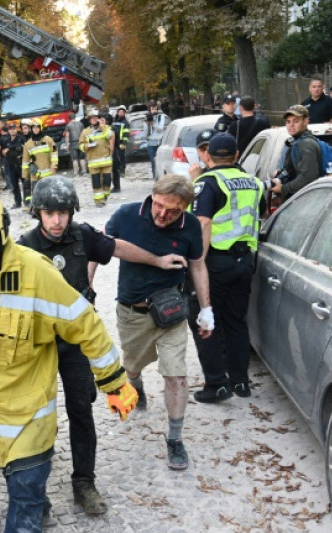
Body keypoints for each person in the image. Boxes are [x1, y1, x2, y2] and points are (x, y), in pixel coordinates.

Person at [0, 184, 137, 531]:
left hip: (29, 416)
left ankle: (62, 491)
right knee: (18, 485)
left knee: (23, 501)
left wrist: (115, 382)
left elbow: (86, 325)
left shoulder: (33, 272)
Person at [18, 176, 187, 516]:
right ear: (37, 213)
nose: (56, 220)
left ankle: (84, 484)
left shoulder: (82, 235)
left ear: (71, 212)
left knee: (81, 412)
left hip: (76, 343)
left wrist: (156, 260)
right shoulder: (22, 248)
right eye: (49, 213)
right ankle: (36, 496)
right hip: (37, 348)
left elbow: (117, 246)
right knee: (36, 418)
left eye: (63, 212)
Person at [105, 175, 213, 471]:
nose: (164, 214)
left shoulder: (190, 226)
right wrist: (86, 286)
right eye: (161, 205)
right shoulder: (126, 215)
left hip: (171, 313)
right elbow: (102, 248)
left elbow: (198, 265)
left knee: (176, 376)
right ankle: (135, 383)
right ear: (152, 196)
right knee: (132, 366)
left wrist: (206, 309)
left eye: (174, 211)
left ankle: (175, 439)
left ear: (185, 209)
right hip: (133, 312)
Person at [188, 133, 265, 402]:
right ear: (236, 155)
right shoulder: (254, 183)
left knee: (204, 319)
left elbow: (203, 224)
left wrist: (196, 264)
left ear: (208, 156)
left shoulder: (207, 183)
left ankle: (217, 384)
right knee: (235, 321)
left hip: (215, 262)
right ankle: (240, 381)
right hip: (245, 262)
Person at [270, 105, 322, 200]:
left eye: (296, 121)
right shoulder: (296, 141)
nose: (291, 125)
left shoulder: (306, 144)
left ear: (306, 121)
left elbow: (308, 177)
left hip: (304, 202)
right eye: (288, 122)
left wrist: (283, 188)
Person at [79, 111, 115, 206]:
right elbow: (81, 146)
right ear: (89, 120)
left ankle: (105, 194)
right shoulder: (85, 132)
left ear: (99, 118)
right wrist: (87, 146)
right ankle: (99, 201)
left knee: (107, 182)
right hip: (93, 162)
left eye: (96, 117)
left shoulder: (106, 128)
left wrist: (102, 127)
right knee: (96, 182)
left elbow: (111, 136)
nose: (94, 119)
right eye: (92, 118)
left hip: (106, 160)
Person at [21, 119, 57, 204]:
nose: (36, 129)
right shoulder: (28, 144)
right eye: (34, 128)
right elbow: (25, 160)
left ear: (41, 128)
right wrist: (25, 175)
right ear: (31, 129)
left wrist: (54, 165)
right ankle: (37, 210)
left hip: (48, 173)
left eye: (37, 127)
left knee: (49, 193)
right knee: (36, 194)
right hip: (35, 174)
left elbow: (54, 153)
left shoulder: (48, 140)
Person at [0, 122, 26, 208]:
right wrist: (4, 152)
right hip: (10, 165)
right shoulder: (6, 140)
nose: (12, 130)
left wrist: (11, 148)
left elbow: (24, 149)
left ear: (16, 129)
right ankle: (18, 202)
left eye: (14, 129)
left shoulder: (21, 138)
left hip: (21, 165)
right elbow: (2, 152)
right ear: (8, 131)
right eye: (10, 129)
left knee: (25, 184)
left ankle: (27, 202)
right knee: (14, 185)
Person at [146, 103, 166, 178]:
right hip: (150, 142)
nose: (154, 110)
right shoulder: (147, 117)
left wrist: (152, 123)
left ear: (157, 109)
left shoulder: (161, 117)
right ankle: (155, 176)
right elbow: (145, 131)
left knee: (160, 160)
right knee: (152, 160)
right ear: (150, 109)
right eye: (152, 109)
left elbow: (160, 129)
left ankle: (161, 175)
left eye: (155, 109)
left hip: (159, 142)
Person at [111, 106, 129, 190]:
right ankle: (117, 170)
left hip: (121, 142)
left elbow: (126, 134)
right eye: (120, 112)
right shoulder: (114, 121)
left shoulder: (126, 123)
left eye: (122, 112)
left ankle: (122, 171)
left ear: (124, 113)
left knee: (122, 158)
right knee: (116, 158)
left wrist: (124, 143)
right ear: (117, 112)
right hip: (114, 142)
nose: (121, 113)